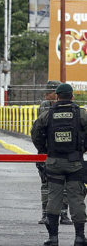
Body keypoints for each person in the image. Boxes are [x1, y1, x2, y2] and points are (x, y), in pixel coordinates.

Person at [31, 83, 87, 246]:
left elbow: (35, 133)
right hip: (74, 162)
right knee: (76, 198)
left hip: (54, 162)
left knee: (53, 197)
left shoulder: (48, 114)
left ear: (56, 97)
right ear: (72, 97)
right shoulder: (81, 114)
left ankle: (53, 238)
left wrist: (44, 149)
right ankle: (79, 237)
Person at [36, 80, 72, 225]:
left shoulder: (71, 108)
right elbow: (38, 130)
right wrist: (41, 149)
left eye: (49, 92)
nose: (47, 95)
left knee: (66, 184)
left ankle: (63, 213)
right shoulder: (45, 107)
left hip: (64, 151)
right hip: (48, 150)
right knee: (46, 183)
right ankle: (45, 213)